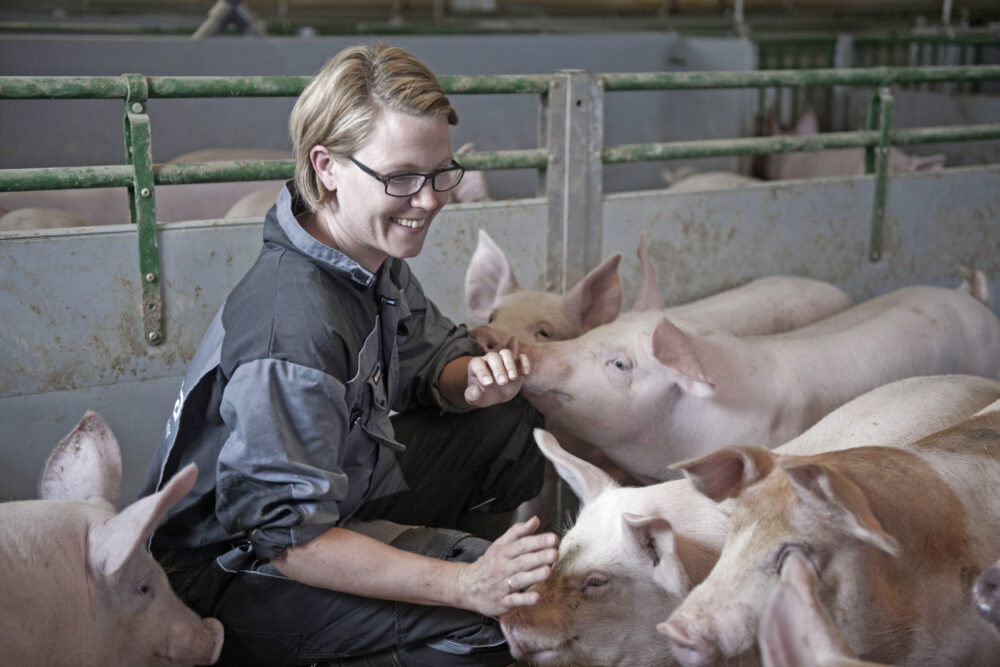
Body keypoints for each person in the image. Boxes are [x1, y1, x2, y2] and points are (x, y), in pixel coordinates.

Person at [140, 43, 558, 666]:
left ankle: (441, 572)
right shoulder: (293, 328)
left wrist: (471, 379)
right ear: (327, 166)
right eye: (400, 179)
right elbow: (292, 541)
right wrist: (466, 588)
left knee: (509, 420)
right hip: (231, 569)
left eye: (443, 172)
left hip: (336, 497)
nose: (431, 199)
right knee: (501, 625)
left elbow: (427, 356)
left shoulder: (365, 256)